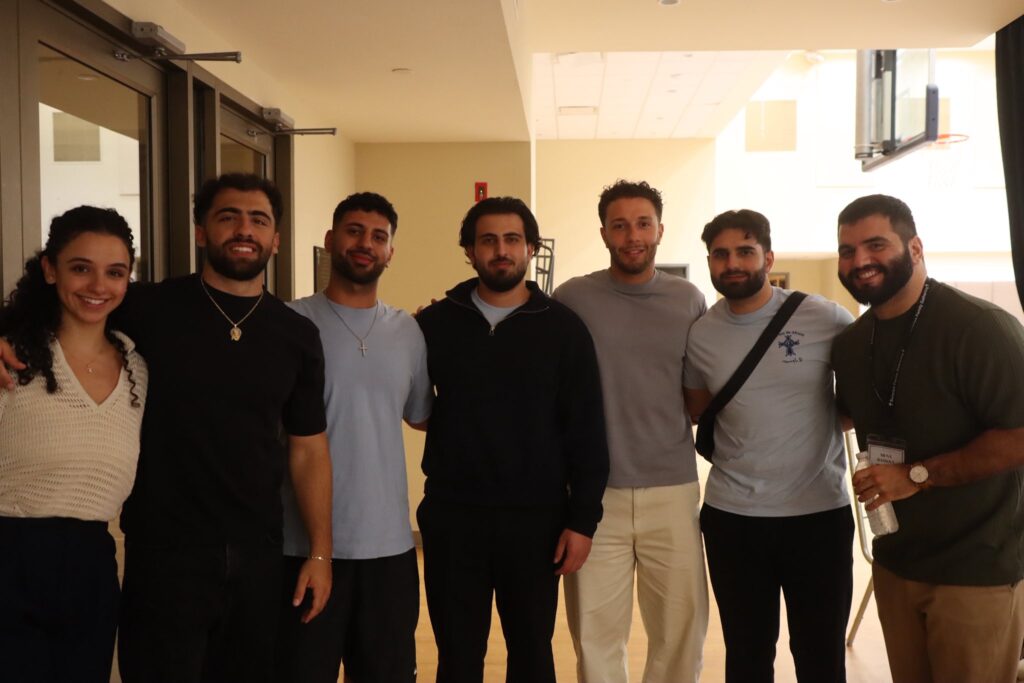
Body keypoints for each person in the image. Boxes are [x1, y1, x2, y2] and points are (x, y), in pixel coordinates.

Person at [109, 174, 333, 682]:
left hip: (259, 553)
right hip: (164, 550)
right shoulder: (146, 308)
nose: (244, 230)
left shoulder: (296, 334)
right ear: (201, 231)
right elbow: (69, 309)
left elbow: (308, 450)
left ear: (276, 239)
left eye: (259, 220)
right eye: (228, 217)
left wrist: (321, 552)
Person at [415, 196, 609, 683]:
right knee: (457, 656)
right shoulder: (433, 325)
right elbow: (418, 411)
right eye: (488, 240)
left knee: (531, 654)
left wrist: (583, 521)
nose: (500, 250)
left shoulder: (564, 329)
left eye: (512, 239)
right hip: (453, 519)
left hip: (536, 522)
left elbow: (587, 430)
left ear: (530, 248)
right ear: (469, 251)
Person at [832, 193, 1024, 683]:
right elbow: (846, 416)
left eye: (876, 245)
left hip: (975, 570)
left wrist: (915, 475)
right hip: (895, 563)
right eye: (848, 250)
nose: (860, 260)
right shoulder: (851, 344)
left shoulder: (979, 328)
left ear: (915, 248)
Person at [682, 209, 854, 683]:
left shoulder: (825, 317)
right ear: (710, 262)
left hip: (818, 516)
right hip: (733, 519)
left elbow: (855, 405)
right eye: (720, 254)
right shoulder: (702, 334)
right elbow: (697, 408)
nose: (732, 263)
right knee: (747, 656)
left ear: (768, 257)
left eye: (745, 251)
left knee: (821, 657)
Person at [553, 180, 708, 683]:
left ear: (660, 230)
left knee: (680, 632)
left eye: (643, 224)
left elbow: (697, 394)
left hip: (673, 489)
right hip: (595, 497)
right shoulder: (572, 298)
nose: (632, 235)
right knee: (595, 636)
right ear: (603, 233)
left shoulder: (689, 300)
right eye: (619, 225)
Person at [276, 192, 432, 683]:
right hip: (302, 546)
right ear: (330, 240)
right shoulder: (289, 323)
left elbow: (421, 416)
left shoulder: (408, 331)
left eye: (378, 236)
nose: (366, 243)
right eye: (354, 231)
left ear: (390, 252)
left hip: (389, 549)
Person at [0, 206, 147, 683]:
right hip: (10, 555)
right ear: (49, 269)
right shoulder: (12, 356)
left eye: (115, 272)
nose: (97, 286)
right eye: (81, 268)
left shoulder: (138, 367)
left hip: (92, 564)